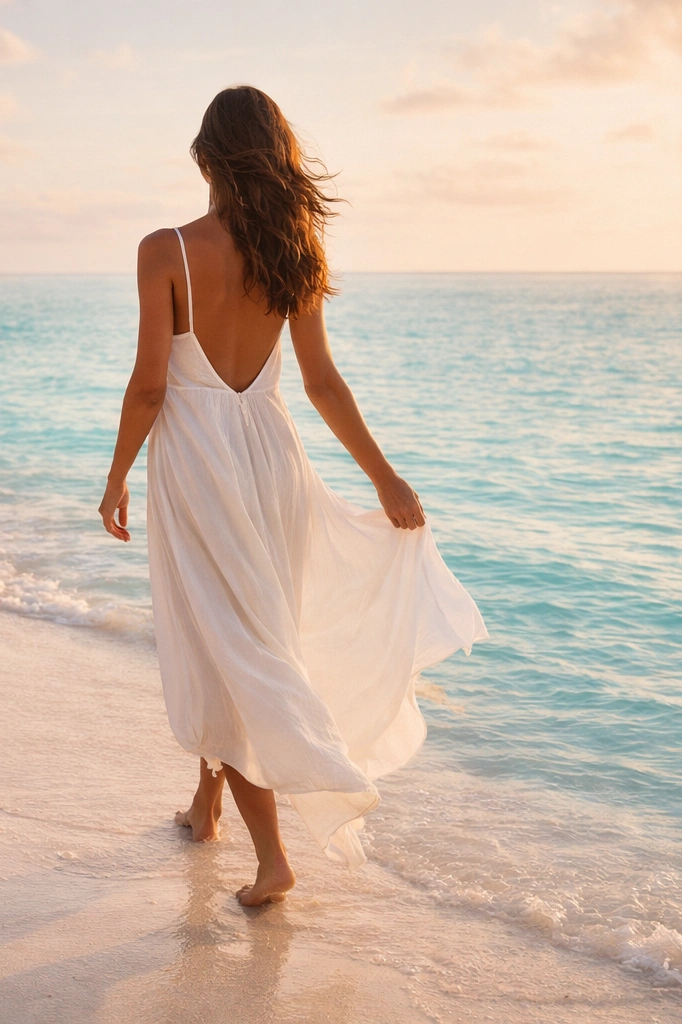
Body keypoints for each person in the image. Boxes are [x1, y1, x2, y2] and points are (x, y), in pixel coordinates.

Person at [98, 85, 486, 907]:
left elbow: (148, 386)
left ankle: (273, 858)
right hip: (273, 461)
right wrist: (386, 478)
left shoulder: (164, 249)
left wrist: (116, 476)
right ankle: (206, 804)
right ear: (279, 159)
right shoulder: (295, 251)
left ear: (207, 155)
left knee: (234, 648)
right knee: (239, 631)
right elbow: (321, 383)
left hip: (200, 464)